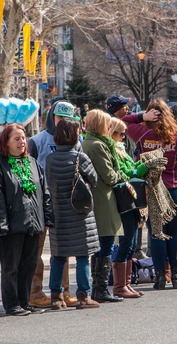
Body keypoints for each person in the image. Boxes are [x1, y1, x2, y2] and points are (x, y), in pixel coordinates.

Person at [123, 99, 177, 290]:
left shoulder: (141, 133)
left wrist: (141, 117)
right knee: (173, 234)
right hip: (175, 187)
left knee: (156, 234)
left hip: (152, 188)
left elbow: (123, 120)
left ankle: (161, 277)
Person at [27, 100, 78, 308]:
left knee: (63, 250)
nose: (62, 122)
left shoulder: (76, 140)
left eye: (67, 118)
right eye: (59, 118)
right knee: (36, 250)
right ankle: (35, 293)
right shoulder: (37, 141)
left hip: (65, 203)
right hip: (40, 202)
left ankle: (64, 292)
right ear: (51, 117)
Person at [45, 119, 100, 309]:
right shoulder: (80, 157)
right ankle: (83, 296)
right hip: (80, 213)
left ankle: (56, 297)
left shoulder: (50, 159)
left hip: (58, 214)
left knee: (58, 257)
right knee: (83, 255)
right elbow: (93, 179)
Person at [108, 117, 166, 297]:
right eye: (120, 133)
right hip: (124, 199)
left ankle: (125, 284)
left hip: (131, 197)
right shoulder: (112, 149)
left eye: (124, 133)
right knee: (126, 242)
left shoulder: (121, 148)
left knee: (132, 243)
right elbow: (123, 173)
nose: (123, 136)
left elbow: (130, 168)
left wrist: (144, 162)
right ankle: (120, 286)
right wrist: (142, 168)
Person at [0, 124, 54, 316]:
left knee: (29, 264)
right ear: (6, 142)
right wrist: (2, 224)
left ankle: (24, 301)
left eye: (23, 138)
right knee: (10, 268)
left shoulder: (32, 162)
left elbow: (44, 192)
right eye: (16, 139)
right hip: (11, 226)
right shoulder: (2, 164)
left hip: (34, 223)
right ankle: (12, 304)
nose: (22, 142)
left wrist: (47, 217)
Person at [82, 109, 125, 303]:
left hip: (96, 198)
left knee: (100, 246)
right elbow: (109, 176)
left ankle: (98, 287)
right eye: (107, 124)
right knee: (105, 245)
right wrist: (123, 176)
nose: (110, 128)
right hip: (103, 199)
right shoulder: (98, 145)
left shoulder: (87, 143)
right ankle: (100, 289)